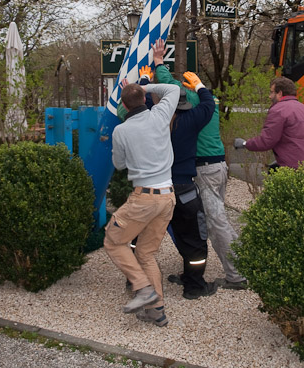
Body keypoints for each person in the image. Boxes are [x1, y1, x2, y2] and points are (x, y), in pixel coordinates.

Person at [152, 38, 247, 290]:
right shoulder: (209, 101)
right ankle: (239, 264)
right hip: (217, 167)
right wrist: (201, 86)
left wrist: (159, 62)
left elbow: (169, 84)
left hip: (205, 170)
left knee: (215, 223)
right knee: (216, 219)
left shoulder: (192, 102)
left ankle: (237, 275)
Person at [103, 80, 179, 328]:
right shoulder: (160, 115)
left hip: (144, 198)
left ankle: (143, 288)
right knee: (145, 253)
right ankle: (157, 311)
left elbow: (119, 164)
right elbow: (173, 89)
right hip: (168, 197)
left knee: (113, 240)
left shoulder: (121, 131)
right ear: (144, 99)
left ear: (124, 106)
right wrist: (146, 87)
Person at [167, 70, 217, 300]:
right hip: (185, 191)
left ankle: (136, 281)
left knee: (149, 238)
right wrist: (199, 86)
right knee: (195, 240)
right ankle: (194, 286)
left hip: (160, 190)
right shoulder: (190, 120)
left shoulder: (156, 121)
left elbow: (138, 105)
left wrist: (144, 83)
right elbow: (209, 104)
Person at [234, 76, 304, 168]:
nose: (269, 96)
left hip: (294, 167)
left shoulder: (278, 110)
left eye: (271, 92)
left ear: (280, 93)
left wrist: (245, 144)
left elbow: (267, 141)